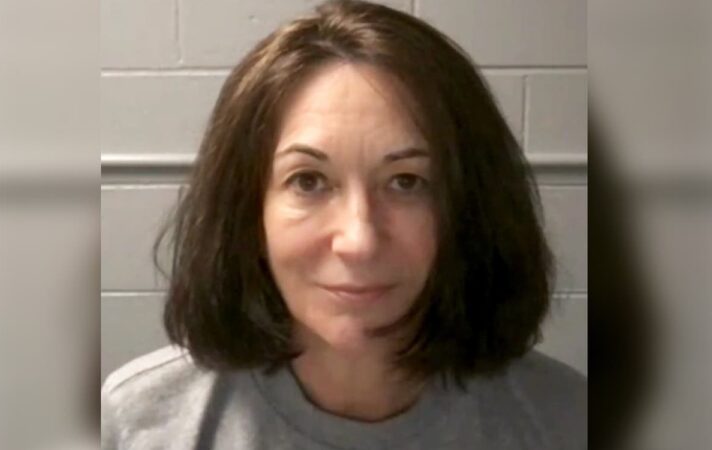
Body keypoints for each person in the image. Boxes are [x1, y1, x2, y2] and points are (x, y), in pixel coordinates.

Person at [101, 1, 586, 448]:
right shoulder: (140, 423)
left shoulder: (566, 421)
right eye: (308, 181)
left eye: (406, 182)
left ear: (469, 207)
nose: (359, 241)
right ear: (248, 211)